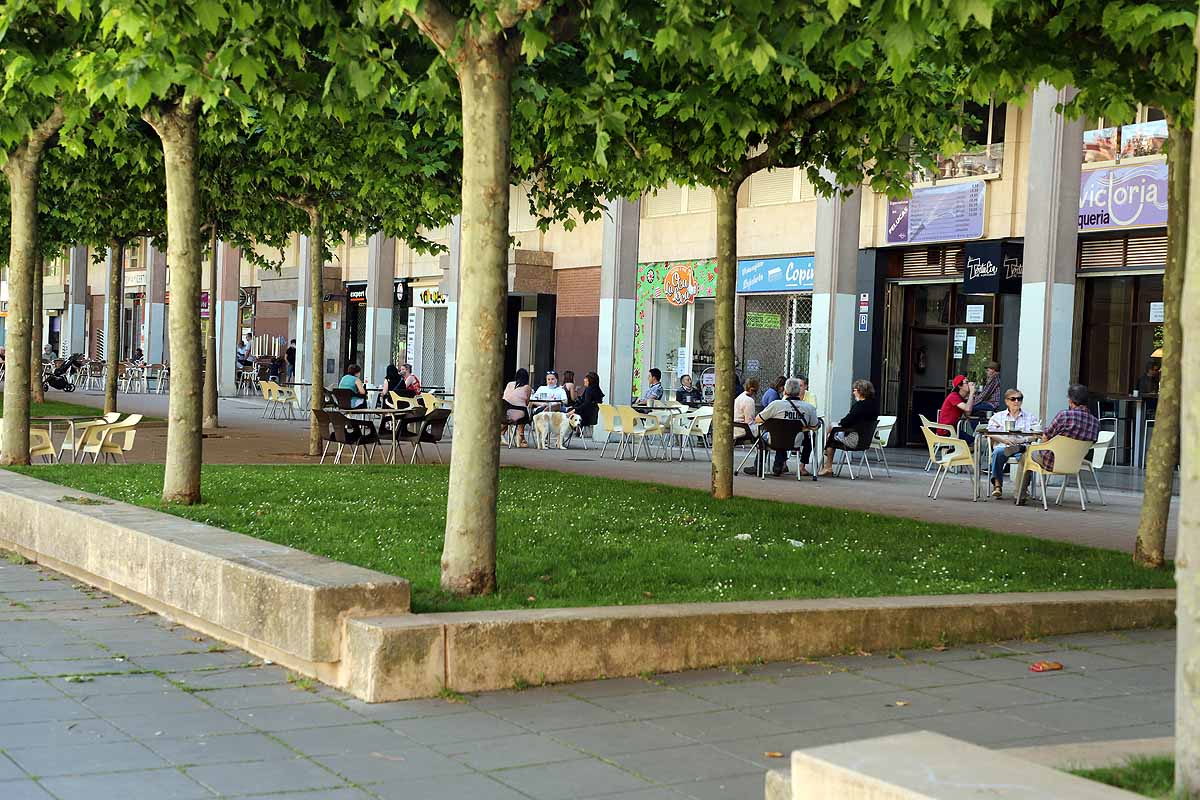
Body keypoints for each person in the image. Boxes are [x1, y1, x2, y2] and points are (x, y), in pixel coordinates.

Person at [1017, 383, 1100, 505]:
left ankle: (1019, 496)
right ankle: (1020, 448)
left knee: (1026, 455)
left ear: (1071, 401)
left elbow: (1045, 437)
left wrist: (1040, 448)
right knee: (1030, 451)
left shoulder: (1064, 415)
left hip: (1051, 462)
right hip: (1075, 463)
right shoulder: (1095, 422)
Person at [756, 377, 818, 477]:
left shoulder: (775, 405)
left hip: (775, 440)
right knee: (796, 435)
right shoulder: (808, 408)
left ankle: (759, 468)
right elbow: (815, 427)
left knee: (772, 435)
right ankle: (797, 466)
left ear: (785, 390)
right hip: (796, 441)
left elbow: (758, 419)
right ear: (799, 391)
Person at [985, 389, 1041, 498]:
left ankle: (1022, 488)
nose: (1016, 401)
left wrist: (1021, 440)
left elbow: (1036, 436)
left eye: (1019, 399)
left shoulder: (1030, 417)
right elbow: (989, 432)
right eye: (1013, 399)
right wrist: (1004, 440)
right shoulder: (998, 416)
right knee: (997, 452)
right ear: (1006, 401)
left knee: (1027, 457)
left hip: (1022, 447)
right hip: (1004, 446)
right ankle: (997, 486)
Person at [818, 379, 880, 477]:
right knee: (833, 431)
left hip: (853, 439)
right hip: (865, 440)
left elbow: (845, 422)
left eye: (854, 390)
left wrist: (838, 424)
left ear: (860, 391)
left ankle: (828, 466)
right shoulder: (874, 406)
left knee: (831, 433)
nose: (853, 392)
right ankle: (827, 460)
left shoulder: (859, 406)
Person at [938, 375, 976, 440]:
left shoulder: (961, 398)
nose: (969, 384)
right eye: (966, 382)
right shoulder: (953, 396)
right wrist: (972, 393)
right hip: (947, 431)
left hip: (953, 429)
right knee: (974, 443)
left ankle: (949, 450)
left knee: (974, 442)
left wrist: (971, 395)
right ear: (960, 386)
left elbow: (967, 413)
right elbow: (967, 409)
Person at [502, 368, 533, 447]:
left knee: (512, 415)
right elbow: (526, 403)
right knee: (523, 411)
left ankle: (501, 434)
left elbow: (505, 398)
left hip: (505, 412)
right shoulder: (527, 387)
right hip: (519, 414)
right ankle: (521, 437)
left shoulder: (509, 384)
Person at [734, 378, 760, 471]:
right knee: (762, 439)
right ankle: (758, 467)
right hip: (743, 430)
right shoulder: (749, 401)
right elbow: (749, 420)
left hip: (736, 428)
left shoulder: (740, 397)